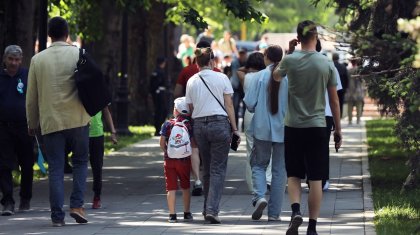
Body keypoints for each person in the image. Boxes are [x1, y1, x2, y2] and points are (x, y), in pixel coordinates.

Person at [275, 20, 342, 235]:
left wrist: (288, 52)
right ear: (316, 37)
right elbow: (334, 101)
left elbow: (276, 76)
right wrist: (338, 130)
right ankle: (312, 227)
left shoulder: (291, 61)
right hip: (317, 126)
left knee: (293, 174)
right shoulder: (326, 63)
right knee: (316, 178)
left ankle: (295, 211)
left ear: (298, 37)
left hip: (293, 125)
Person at [26, 16, 91, 227]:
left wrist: (32, 122)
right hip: (78, 118)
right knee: (81, 162)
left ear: (49, 35)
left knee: (55, 167)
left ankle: (57, 217)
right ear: (67, 33)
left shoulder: (38, 60)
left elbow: (31, 97)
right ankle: (77, 205)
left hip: (51, 121)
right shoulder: (79, 53)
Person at [185, 47, 240, 224]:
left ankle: (206, 207)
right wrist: (235, 128)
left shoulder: (192, 81)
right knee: (217, 169)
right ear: (212, 62)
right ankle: (212, 210)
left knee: (206, 168)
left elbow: (191, 108)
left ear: (197, 63)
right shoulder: (222, 77)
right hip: (219, 124)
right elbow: (229, 105)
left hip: (200, 125)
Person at [243, 46, 288, 222]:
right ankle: (275, 213)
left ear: (266, 57)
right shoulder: (288, 76)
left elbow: (250, 104)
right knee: (279, 171)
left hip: (261, 129)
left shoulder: (258, 76)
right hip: (284, 129)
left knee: (258, 164)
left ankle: (260, 196)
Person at [174, 40, 221, 197]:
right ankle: (212, 181)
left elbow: (177, 93)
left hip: (194, 116)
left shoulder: (187, 71)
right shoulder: (219, 73)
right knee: (213, 152)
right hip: (216, 118)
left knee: (194, 148)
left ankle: (198, 181)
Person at [0, 45, 35, 215]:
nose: (14, 63)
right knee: (4, 165)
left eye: (17, 60)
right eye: (11, 59)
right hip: (4, 128)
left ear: (21, 60)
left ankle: (25, 197)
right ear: (5, 59)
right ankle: (7, 201)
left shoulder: (27, 75)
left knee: (27, 164)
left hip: (25, 127)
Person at [159, 97, 194, 223]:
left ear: (176, 110)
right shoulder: (189, 124)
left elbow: (162, 142)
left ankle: (172, 215)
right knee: (185, 186)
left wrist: (167, 152)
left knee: (171, 188)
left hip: (169, 160)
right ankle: (187, 212)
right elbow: (192, 143)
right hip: (184, 160)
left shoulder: (167, 124)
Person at [237, 52, 266, 192]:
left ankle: (252, 184)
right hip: (265, 113)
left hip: (250, 113)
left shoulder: (245, 77)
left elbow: (239, 69)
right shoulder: (266, 76)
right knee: (268, 147)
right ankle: (268, 179)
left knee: (250, 149)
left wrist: (248, 67)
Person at [89, 107, 117, 209]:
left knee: (97, 167)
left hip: (97, 134)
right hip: (80, 134)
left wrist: (113, 132)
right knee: (79, 166)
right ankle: (77, 200)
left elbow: (106, 112)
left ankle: (97, 196)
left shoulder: (98, 92)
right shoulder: (78, 91)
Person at [150, 57, 169, 136]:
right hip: (160, 94)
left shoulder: (156, 71)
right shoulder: (159, 72)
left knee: (160, 111)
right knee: (160, 111)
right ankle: (158, 129)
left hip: (158, 93)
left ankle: (158, 128)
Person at [230, 49, 248, 126]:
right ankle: (235, 125)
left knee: (245, 109)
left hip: (245, 89)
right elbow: (232, 73)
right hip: (236, 88)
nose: (242, 55)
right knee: (235, 107)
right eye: (240, 54)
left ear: (246, 54)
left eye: (243, 54)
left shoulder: (248, 63)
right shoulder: (234, 62)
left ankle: (244, 125)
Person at [346, 58, 365, 124]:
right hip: (358, 91)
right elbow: (362, 81)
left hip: (350, 90)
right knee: (359, 106)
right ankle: (358, 120)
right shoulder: (360, 70)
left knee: (350, 107)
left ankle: (350, 120)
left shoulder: (348, 71)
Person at [332, 53, 349, 118]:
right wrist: (346, 87)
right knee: (340, 102)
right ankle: (339, 116)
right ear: (338, 58)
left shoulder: (330, 66)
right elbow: (346, 78)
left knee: (332, 102)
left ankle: (333, 116)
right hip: (342, 89)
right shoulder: (343, 67)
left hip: (331, 88)